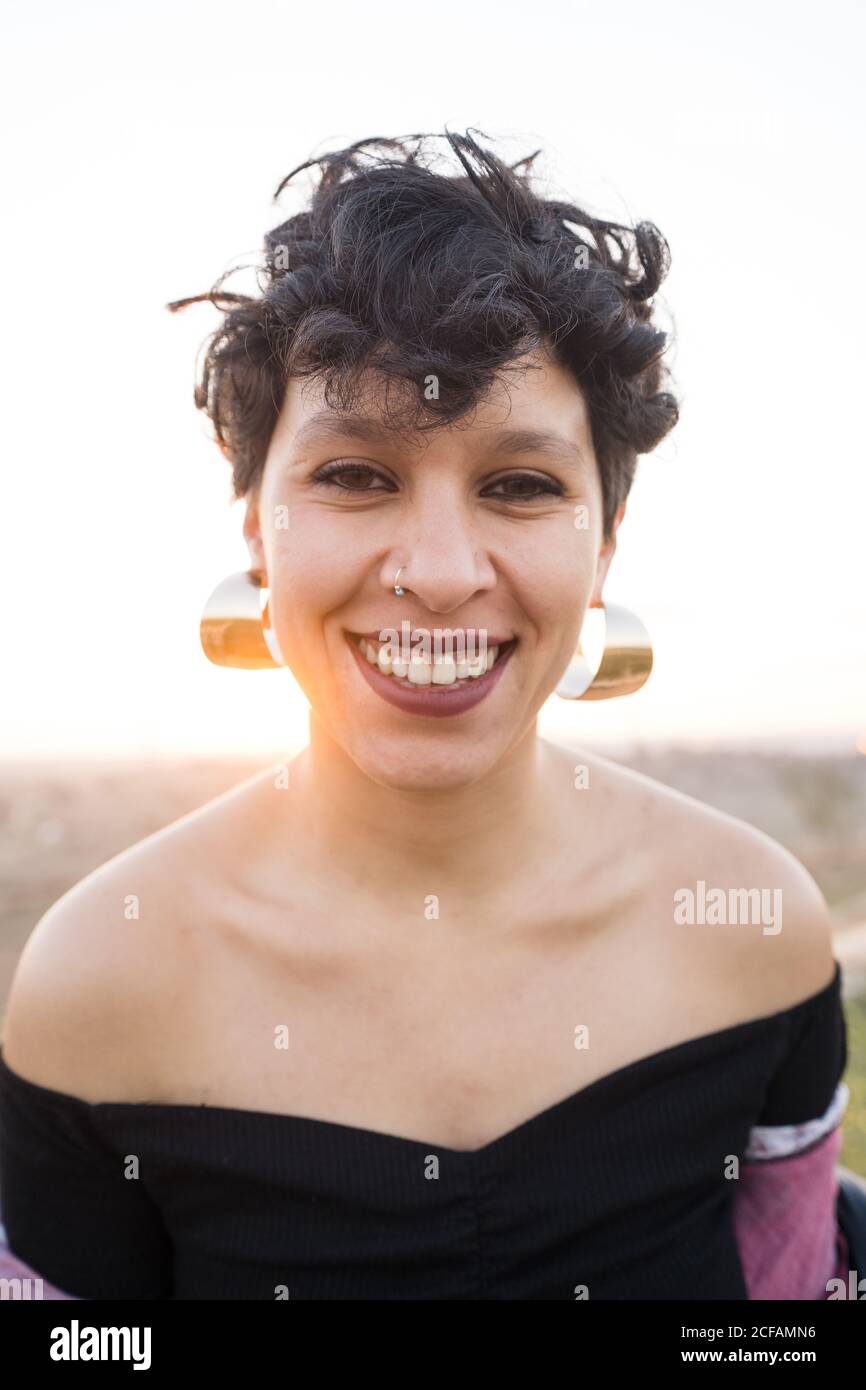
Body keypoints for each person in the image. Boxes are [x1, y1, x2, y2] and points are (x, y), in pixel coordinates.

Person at [0, 130, 849, 1300]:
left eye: (518, 484)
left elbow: (790, 1306)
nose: (440, 569)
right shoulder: (95, 979)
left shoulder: (757, 929)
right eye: (354, 475)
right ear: (255, 526)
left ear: (601, 545)